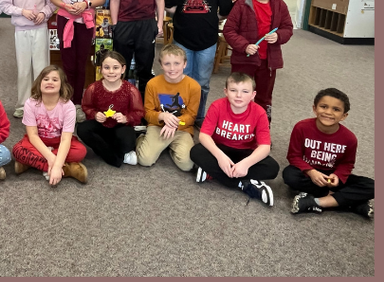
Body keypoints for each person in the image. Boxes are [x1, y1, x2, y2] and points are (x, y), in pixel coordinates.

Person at [164, 0, 234, 121]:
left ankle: (197, 117)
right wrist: (180, 14)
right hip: (182, 40)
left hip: (207, 42)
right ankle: (178, 116)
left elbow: (226, 11)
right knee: (179, 79)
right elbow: (168, 5)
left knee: (202, 83)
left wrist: (211, 18)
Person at [284, 88, 374, 217]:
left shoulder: (349, 138)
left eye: (336, 109)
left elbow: (347, 164)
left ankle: (317, 202)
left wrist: (337, 176)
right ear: (315, 108)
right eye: (324, 107)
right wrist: (311, 171)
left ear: (344, 116)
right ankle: (350, 202)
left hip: (331, 177)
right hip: (308, 173)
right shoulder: (301, 127)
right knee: (289, 175)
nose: (328, 112)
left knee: (372, 186)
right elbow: (294, 156)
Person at [222, 0, 294, 125]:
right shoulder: (242, 4)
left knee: (264, 97)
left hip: (268, 61)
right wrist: (244, 45)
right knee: (239, 95)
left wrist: (279, 36)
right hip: (244, 59)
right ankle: (236, 128)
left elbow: (288, 28)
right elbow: (229, 30)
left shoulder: (280, 5)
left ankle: (261, 129)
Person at [190, 72, 278, 206]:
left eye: (245, 91)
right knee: (196, 151)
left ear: (253, 95)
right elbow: (204, 135)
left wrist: (246, 163)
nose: (238, 95)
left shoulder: (259, 112)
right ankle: (245, 183)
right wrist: (220, 157)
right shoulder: (217, 106)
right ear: (226, 91)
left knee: (272, 168)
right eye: (233, 90)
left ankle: (214, 174)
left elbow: (265, 146)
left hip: (246, 152)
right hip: (221, 148)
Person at [0, 0, 54, 119]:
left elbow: (51, 3)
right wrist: (22, 11)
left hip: (40, 28)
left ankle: (42, 102)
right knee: (24, 69)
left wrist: (44, 14)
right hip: (21, 30)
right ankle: (23, 104)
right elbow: (5, 5)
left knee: (41, 68)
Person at [11, 65, 88, 185]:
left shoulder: (68, 106)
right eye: (46, 79)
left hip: (59, 142)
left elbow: (65, 139)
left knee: (80, 151)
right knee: (17, 150)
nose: (49, 82)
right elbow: (33, 136)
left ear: (62, 85)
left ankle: (31, 164)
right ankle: (67, 169)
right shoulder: (30, 103)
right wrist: (53, 160)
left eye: (55, 80)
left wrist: (56, 165)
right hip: (38, 141)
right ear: (39, 83)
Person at [136, 44, 201, 172]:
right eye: (167, 64)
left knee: (187, 165)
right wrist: (162, 116)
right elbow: (147, 112)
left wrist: (174, 124)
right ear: (161, 65)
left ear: (185, 64)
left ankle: (168, 146)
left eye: (177, 63)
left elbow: (191, 116)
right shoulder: (152, 84)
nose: (172, 68)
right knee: (145, 160)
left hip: (182, 128)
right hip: (157, 126)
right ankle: (141, 138)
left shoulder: (194, 87)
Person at [77, 49, 144, 167]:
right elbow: (86, 107)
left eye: (116, 68)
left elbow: (139, 113)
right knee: (82, 129)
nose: (111, 72)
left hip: (121, 127)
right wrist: (95, 114)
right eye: (107, 67)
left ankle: (105, 150)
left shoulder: (131, 90)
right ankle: (116, 158)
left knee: (127, 141)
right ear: (101, 69)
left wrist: (125, 118)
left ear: (123, 69)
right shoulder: (93, 88)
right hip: (101, 126)